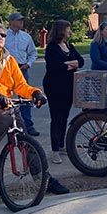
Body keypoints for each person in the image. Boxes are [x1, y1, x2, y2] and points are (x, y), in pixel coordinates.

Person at [0, 23, 69, 195]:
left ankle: (44, 180)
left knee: (26, 142)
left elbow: (20, 85)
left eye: (3, 35)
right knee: (3, 119)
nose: (0, 37)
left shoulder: (9, 60)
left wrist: (35, 93)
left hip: (5, 107)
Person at [43, 20, 84, 164]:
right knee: (56, 117)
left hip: (68, 85)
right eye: (68, 29)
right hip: (54, 86)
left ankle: (61, 144)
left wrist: (69, 64)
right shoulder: (52, 47)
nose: (69, 32)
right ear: (61, 30)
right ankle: (55, 150)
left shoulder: (69, 46)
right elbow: (54, 66)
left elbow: (81, 61)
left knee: (65, 117)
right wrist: (71, 64)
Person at [4, 12, 39, 137]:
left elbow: (33, 53)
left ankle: (27, 125)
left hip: (22, 68)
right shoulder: (3, 36)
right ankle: (6, 124)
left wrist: (28, 64)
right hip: (6, 69)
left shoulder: (26, 37)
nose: (21, 22)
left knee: (25, 97)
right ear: (11, 21)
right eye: (19, 20)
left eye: (22, 20)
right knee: (4, 97)